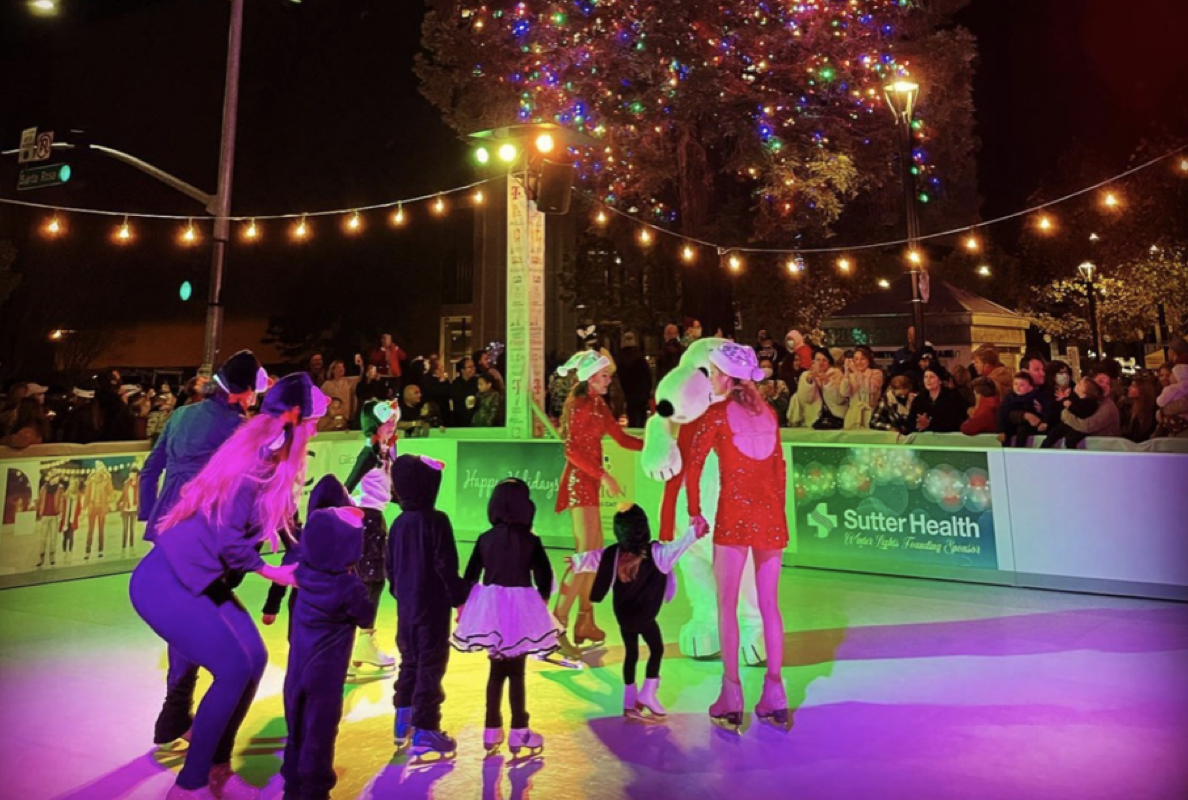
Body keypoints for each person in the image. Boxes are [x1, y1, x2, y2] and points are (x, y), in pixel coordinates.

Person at [128, 372, 322, 800]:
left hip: (197, 578)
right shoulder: (254, 460)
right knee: (234, 667)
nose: (314, 429)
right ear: (293, 418)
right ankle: (189, 786)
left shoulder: (269, 458)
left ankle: (216, 769)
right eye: (311, 421)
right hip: (169, 580)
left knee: (254, 659)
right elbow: (231, 538)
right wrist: (273, 572)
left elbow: (282, 527)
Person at [138, 350, 268, 751]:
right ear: (245, 393)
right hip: (203, 531)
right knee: (198, 615)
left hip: (166, 527)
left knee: (183, 616)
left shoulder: (180, 416)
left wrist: (150, 514)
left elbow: (150, 469)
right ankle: (179, 715)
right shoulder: (240, 430)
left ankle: (173, 715)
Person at [684, 344, 789, 732]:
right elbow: (778, 469)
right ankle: (774, 692)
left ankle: (731, 695)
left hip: (734, 516)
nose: (711, 379)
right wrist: (775, 511)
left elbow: (692, 467)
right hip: (770, 516)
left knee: (726, 605)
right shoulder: (770, 413)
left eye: (712, 372)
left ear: (725, 377)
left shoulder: (715, 416)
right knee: (769, 606)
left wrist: (695, 511)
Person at [451, 478, 559, 757]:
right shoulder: (531, 540)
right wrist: (540, 602)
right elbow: (544, 576)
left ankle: (491, 728)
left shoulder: (485, 538)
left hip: (491, 608)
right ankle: (519, 730)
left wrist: (463, 607)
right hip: (520, 607)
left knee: (496, 672)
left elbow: (471, 573)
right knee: (517, 673)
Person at [571, 504, 705, 719]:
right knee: (657, 649)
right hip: (644, 616)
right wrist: (694, 532)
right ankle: (648, 693)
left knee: (631, 653)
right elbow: (678, 547)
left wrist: (577, 561)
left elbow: (595, 558)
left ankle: (628, 702)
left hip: (624, 616)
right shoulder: (657, 554)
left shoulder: (614, 554)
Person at [552, 350, 644, 658]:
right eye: (604, 376)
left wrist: (656, 445)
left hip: (589, 482)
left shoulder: (597, 405)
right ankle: (556, 626)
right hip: (581, 483)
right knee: (585, 556)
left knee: (594, 557)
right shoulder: (580, 405)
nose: (609, 380)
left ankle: (584, 621)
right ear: (590, 378)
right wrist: (604, 476)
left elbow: (619, 437)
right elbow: (570, 451)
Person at [280, 506, 377, 800]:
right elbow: (365, 616)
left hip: (296, 668)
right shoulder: (348, 586)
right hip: (326, 674)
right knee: (320, 731)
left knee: (296, 724)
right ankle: (315, 790)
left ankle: (292, 784)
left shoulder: (304, 574)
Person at [388, 454, 468, 762]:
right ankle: (425, 727)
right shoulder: (437, 521)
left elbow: (391, 572)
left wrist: (404, 595)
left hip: (406, 609)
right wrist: (459, 598)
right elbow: (445, 566)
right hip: (432, 607)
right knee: (431, 665)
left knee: (409, 661)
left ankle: (403, 719)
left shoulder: (398, 524)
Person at [340, 400, 399, 671]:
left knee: (375, 582)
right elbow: (346, 487)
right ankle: (349, 645)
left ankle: (365, 642)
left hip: (376, 520)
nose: (392, 427)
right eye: (388, 423)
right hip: (366, 520)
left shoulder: (385, 453)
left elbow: (391, 492)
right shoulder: (368, 454)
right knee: (365, 583)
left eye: (393, 422)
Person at [1041, 377, 1104, 448]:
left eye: (1080, 384)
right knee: (1054, 433)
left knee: (1070, 439)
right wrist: (1064, 399)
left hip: (1079, 430)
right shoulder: (1075, 396)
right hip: (1069, 424)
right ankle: (1043, 448)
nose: (1077, 384)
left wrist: (1070, 407)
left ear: (1085, 393)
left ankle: (1072, 455)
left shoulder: (1090, 403)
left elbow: (1082, 413)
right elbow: (1067, 403)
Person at [787, 347, 842, 428]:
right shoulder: (805, 376)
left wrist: (827, 382)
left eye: (824, 360)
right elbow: (805, 399)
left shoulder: (836, 374)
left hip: (835, 416)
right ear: (813, 362)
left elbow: (839, 399)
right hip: (814, 418)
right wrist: (809, 380)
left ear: (829, 362)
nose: (821, 363)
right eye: (818, 360)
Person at [908, 366, 969, 434]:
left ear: (940, 380)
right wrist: (918, 425)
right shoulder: (919, 399)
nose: (928, 380)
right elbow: (911, 422)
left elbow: (956, 422)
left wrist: (930, 423)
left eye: (931, 377)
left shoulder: (953, 397)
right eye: (925, 377)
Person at [839, 345, 884, 429]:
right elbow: (844, 393)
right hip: (853, 415)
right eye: (856, 359)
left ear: (869, 360)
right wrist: (846, 372)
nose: (859, 362)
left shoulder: (876, 373)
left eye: (862, 359)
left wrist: (855, 371)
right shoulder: (850, 376)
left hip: (871, 414)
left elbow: (870, 389)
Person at [998, 371, 1046, 447]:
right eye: (1015, 384)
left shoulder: (1035, 397)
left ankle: (1019, 450)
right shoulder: (1009, 397)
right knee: (1007, 432)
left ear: (1030, 387)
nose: (1017, 387)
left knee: (1022, 429)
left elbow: (1045, 411)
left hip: (1029, 426)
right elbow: (1002, 413)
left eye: (1022, 385)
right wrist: (1001, 430)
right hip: (1013, 424)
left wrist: (1043, 421)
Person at [617, 332, 653, 428]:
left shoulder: (621, 358)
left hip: (629, 392)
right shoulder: (640, 357)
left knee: (632, 415)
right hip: (641, 392)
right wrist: (648, 390)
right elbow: (647, 375)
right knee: (641, 416)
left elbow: (620, 376)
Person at [83, 461, 115, 561]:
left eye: (101, 467)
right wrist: (84, 507)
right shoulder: (91, 480)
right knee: (90, 530)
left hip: (101, 507)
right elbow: (87, 494)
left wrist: (108, 479)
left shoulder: (106, 479)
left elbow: (110, 492)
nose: (100, 469)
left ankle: (100, 550)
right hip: (92, 506)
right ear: (96, 469)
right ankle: (87, 551)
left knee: (101, 530)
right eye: (98, 467)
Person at [35, 475, 64, 569]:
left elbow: (61, 501)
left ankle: (52, 557)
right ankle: (41, 558)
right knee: (43, 538)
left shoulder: (60, 488)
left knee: (53, 538)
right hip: (45, 515)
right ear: (51, 478)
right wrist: (38, 511)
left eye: (58, 478)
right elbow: (39, 500)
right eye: (56, 478)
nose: (57, 480)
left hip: (54, 516)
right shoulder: (44, 488)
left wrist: (60, 513)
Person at [1123, 375, 1159, 443]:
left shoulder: (1151, 411)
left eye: (1133, 386)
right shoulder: (1132, 406)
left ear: (1142, 389)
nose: (1129, 388)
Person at [320, 359, 358, 423]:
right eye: (338, 367)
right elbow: (320, 401)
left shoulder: (348, 381)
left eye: (342, 367)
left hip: (346, 417)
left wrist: (361, 365)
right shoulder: (326, 385)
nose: (341, 369)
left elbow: (361, 378)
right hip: (331, 418)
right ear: (333, 370)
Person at [449, 357, 479, 428]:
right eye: (470, 367)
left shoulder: (477, 381)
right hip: (461, 421)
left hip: (475, 420)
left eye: (473, 366)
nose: (473, 369)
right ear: (462, 370)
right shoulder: (456, 384)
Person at [118, 467, 141, 558]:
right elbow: (123, 494)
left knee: (132, 529)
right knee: (125, 529)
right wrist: (118, 502)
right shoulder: (126, 483)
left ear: (136, 475)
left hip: (133, 509)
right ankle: (123, 547)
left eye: (133, 473)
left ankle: (131, 546)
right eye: (130, 473)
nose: (131, 475)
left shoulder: (139, 485)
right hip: (126, 509)